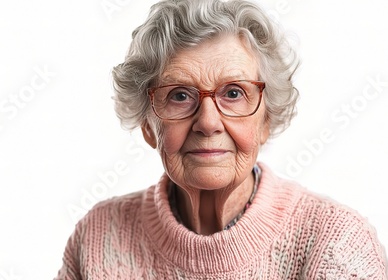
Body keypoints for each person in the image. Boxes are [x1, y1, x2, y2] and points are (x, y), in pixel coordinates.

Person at [55, 0, 388, 278]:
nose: (208, 122)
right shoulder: (98, 238)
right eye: (180, 96)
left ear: (266, 120)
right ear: (147, 124)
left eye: (233, 93)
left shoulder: (336, 242)